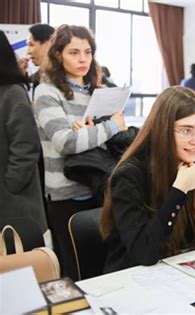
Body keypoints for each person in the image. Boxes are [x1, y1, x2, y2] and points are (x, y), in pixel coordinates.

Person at [34, 25, 127, 280]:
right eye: (74, 52)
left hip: (101, 187)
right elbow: (65, 142)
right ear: (58, 55)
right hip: (67, 196)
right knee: (77, 271)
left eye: (88, 52)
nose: (83, 58)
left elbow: (114, 137)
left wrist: (106, 129)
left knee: (105, 268)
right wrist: (109, 126)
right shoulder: (46, 91)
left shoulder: (99, 90)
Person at [100, 86, 195, 273]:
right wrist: (179, 191)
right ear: (162, 130)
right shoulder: (130, 175)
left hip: (175, 273)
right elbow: (145, 253)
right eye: (186, 130)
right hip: (131, 277)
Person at [0, 31, 48, 238]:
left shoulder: (12, 93)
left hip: (14, 204)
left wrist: (10, 185)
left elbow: (26, 147)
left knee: (19, 267)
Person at [18, 24, 55, 92]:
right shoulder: (39, 75)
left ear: (49, 43)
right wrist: (21, 75)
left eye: (31, 45)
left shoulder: (63, 77)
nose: (28, 52)